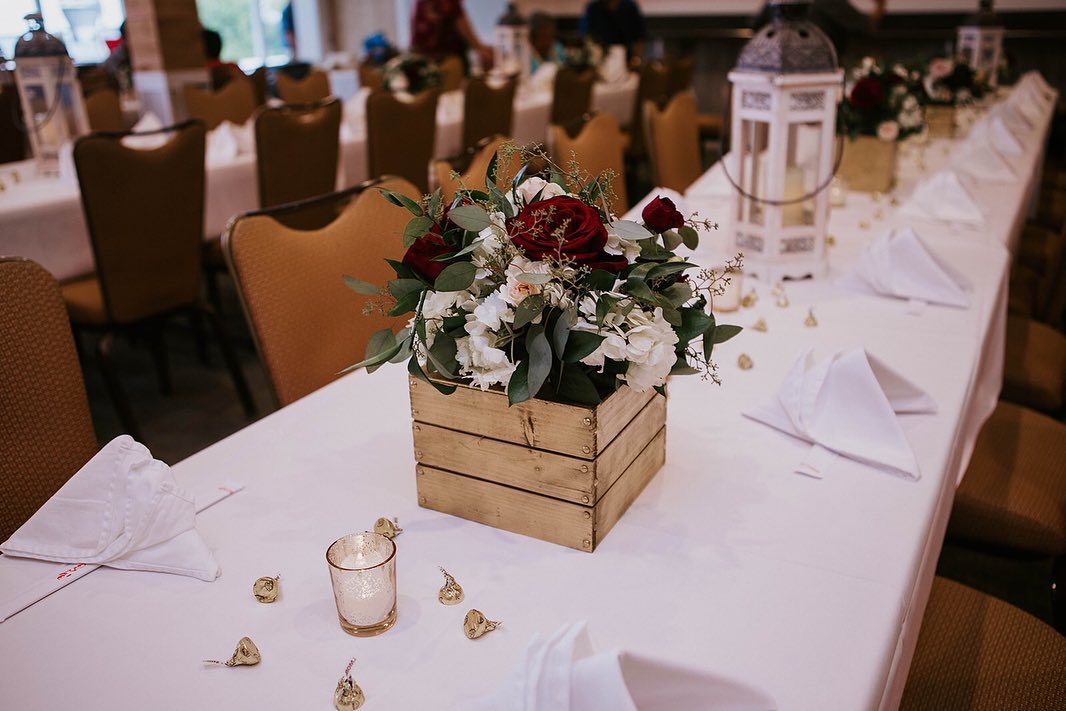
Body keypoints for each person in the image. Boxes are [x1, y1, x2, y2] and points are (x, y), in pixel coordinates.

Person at [752, 0, 885, 58]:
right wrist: (880, 5)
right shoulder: (830, 2)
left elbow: (756, 27)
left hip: (781, 76)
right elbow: (867, 26)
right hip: (823, 75)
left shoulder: (776, 3)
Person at [410, 0, 493, 70]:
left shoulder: (419, 4)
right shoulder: (449, 3)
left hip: (425, 64)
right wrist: (481, 50)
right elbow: (464, 27)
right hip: (445, 63)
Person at [579, 0, 646, 61]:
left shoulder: (630, 7)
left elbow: (640, 38)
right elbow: (584, 36)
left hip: (627, 60)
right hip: (598, 59)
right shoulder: (593, 8)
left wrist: (636, 58)